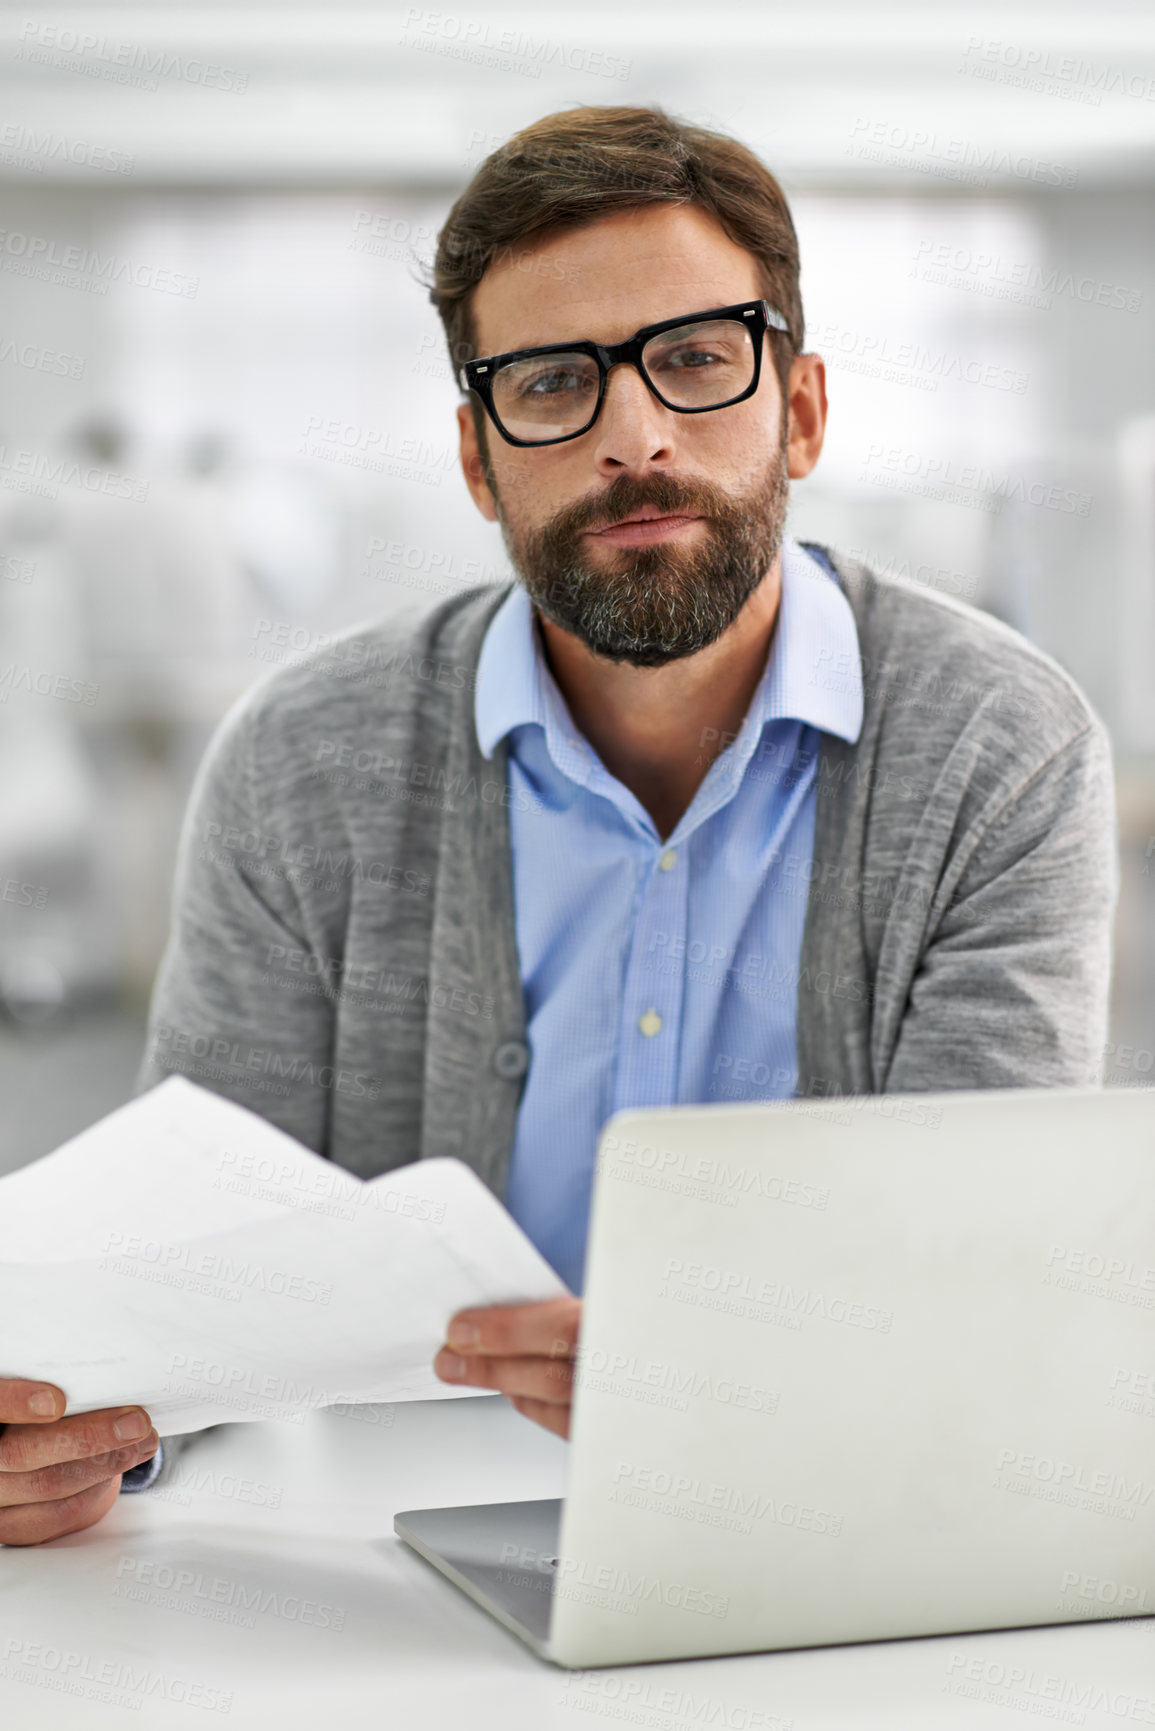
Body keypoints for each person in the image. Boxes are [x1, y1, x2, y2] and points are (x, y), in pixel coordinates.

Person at [0, 105, 1117, 1545]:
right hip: (357, 1560)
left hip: (832, 1528)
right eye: (550, 382)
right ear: (478, 458)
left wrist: (729, 1382)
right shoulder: (301, 761)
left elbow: (989, 1282)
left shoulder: (997, 750)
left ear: (807, 409)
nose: (634, 437)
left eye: (700, 359)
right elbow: (191, 1263)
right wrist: (84, 1434)